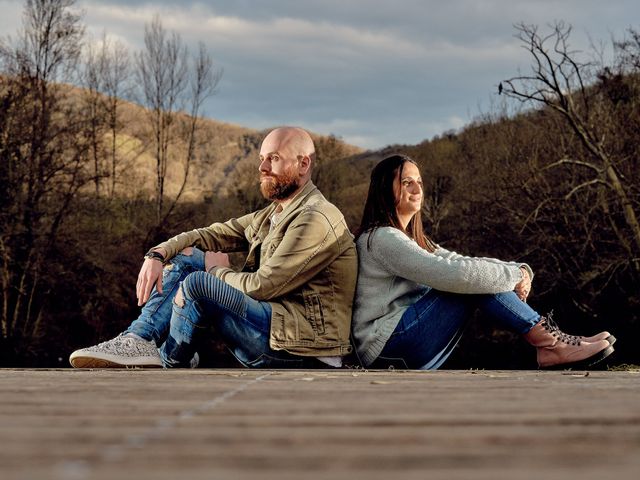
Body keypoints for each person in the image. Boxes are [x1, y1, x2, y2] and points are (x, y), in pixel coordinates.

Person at [70, 127, 357, 369]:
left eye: (274, 159)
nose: (262, 168)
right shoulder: (274, 214)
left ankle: (169, 360)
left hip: (307, 347)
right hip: (279, 329)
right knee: (190, 260)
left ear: (303, 164)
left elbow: (263, 286)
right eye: (261, 159)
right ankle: (139, 339)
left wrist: (216, 270)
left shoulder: (315, 217)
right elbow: (210, 234)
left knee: (199, 282)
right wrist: (158, 253)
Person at [352, 154, 615, 370]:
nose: (417, 189)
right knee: (469, 280)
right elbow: (459, 275)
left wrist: (519, 270)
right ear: (386, 187)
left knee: (477, 275)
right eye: (407, 182)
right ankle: (550, 343)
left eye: (419, 181)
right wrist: (513, 275)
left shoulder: (412, 239)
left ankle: (550, 343)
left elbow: (462, 261)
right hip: (387, 348)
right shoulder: (382, 238)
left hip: (404, 346)